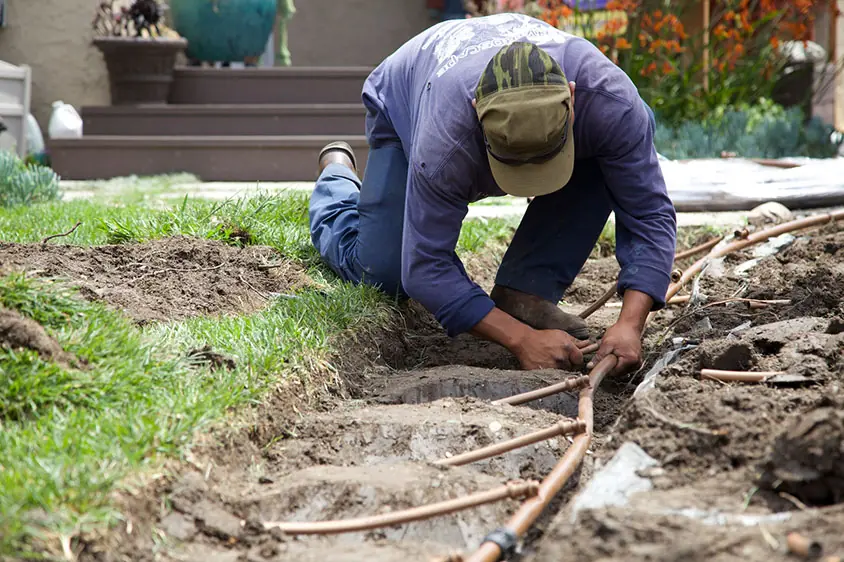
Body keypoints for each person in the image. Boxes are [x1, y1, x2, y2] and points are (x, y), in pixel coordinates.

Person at [308, 13, 677, 376]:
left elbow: (648, 213)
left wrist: (631, 323)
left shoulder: (614, 104)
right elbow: (424, 267)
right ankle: (336, 176)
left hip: (553, 104)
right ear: (477, 113)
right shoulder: (443, 140)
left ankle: (524, 291)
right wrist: (520, 340)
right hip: (406, 92)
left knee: (608, 155)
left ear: (572, 97)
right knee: (384, 274)